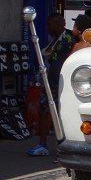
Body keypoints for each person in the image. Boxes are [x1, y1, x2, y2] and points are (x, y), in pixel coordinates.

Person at [27, 13, 74, 157]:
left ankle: (61, 146)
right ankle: (42, 144)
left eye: (50, 24)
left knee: (57, 113)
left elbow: (60, 58)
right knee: (44, 111)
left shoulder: (68, 38)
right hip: (50, 80)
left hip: (60, 82)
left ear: (60, 24)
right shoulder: (55, 39)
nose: (47, 27)